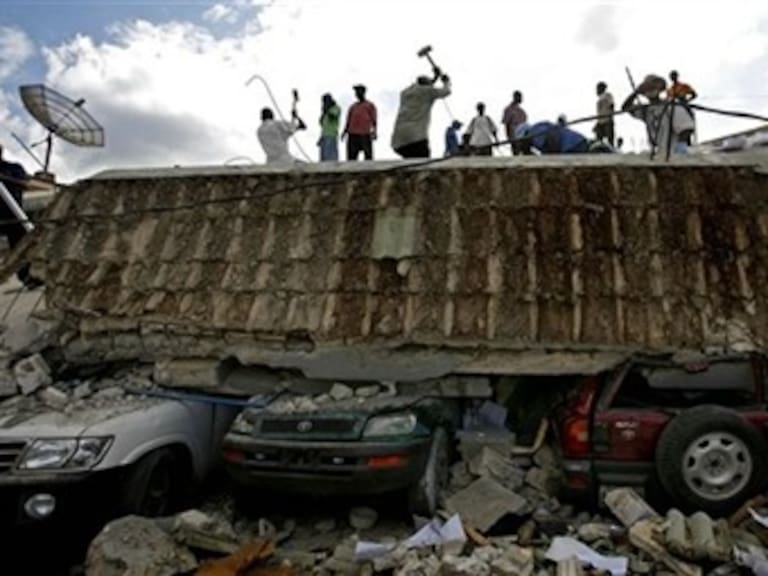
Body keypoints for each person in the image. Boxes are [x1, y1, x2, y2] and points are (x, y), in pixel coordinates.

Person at [0, 143, 46, 287]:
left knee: (22, 247)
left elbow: (24, 183)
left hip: (13, 214)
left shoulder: (13, 168)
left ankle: (28, 277)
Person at [621, 74, 695, 157]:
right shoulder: (646, 110)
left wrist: (680, 145)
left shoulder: (671, 106)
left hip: (673, 153)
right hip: (659, 152)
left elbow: (686, 128)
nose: (650, 91)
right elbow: (626, 108)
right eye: (647, 89)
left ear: (660, 90)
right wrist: (636, 93)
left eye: (653, 88)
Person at [391, 67, 451, 158]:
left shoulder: (405, 93)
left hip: (399, 141)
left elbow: (423, 86)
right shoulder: (428, 92)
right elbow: (446, 91)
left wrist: (435, 77)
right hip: (416, 138)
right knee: (423, 164)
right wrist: (446, 81)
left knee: (410, 164)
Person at [342, 85, 377, 161]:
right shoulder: (352, 107)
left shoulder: (370, 105)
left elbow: (374, 120)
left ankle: (368, 172)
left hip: (365, 133)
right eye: (356, 92)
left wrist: (374, 131)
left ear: (363, 92)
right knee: (351, 158)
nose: (357, 94)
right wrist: (344, 132)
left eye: (358, 91)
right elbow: (348, 121)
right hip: (352, 134)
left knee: (368, 157)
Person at [517, 121, 590, 155]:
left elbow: (551, 140)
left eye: (522, 141)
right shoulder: (540, 127)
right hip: (579, 141)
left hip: (572, 147)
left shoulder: (534, 133)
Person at [502, 91, 527, 155]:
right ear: (515, 97)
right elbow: (506, 124)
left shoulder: (522, 111)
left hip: (523, 137)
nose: (521, 99)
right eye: (520, 97)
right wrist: (509, 138)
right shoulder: (509, 109)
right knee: (516, 154)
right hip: (514, 136)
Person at [318, 93, 341, 162]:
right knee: (323, 157)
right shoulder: (325, 113)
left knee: (330, 157)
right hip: (324, 136)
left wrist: (327, 109)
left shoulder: (336, 108)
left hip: (331, 135)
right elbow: (322, 124)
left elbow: (333, 115)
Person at [594, 81, 615, 146]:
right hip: (600, 121)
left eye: (597, 88)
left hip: (607, 120)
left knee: (610, 138)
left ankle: (611, 150)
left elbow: (611, 105)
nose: (596, 90)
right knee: (598, 139)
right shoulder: (599, 99)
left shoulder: (607, 95)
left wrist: (611, 117)